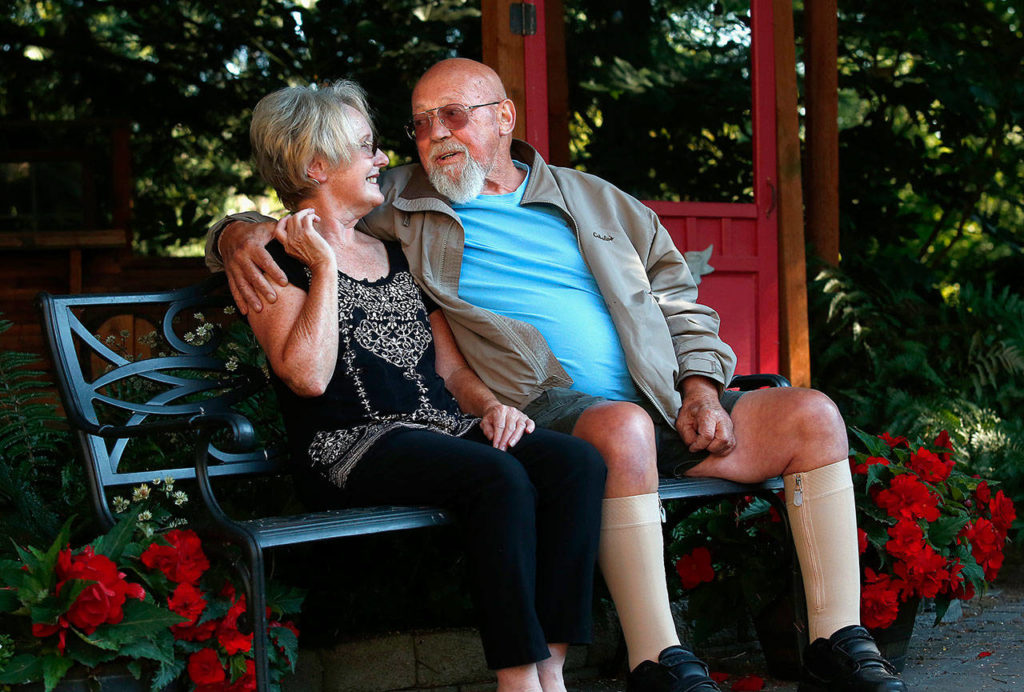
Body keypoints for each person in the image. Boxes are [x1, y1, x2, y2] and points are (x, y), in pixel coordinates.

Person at [207, 59, 907, 692]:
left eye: (454, 115)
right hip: (556, 405)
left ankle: (836, 641)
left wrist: (699, 388)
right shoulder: (402, 202)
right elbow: (302, 201)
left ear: (504, 118)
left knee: (811, 415)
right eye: (420, 123)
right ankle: (656, 658)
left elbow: (675, 295)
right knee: (607, 434)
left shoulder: (594, 198)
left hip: (662, 396)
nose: (431, 136)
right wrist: (234, 233)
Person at [238, 79, 608, 692]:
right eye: (366, 147)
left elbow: (449, 369)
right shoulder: (271, 261)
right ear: (314, 165)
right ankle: (518, 681)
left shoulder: (392, 251)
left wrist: (492, 408)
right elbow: (305, 376)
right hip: (347, 447)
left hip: (441, 431)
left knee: (575, 463)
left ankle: (552, 668)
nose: (383, 158)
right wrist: (325, 265)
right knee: (496, 476)